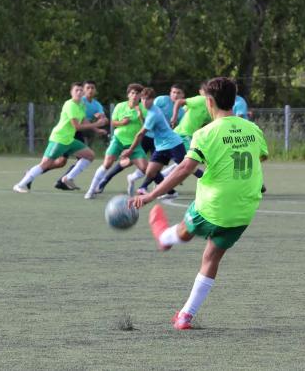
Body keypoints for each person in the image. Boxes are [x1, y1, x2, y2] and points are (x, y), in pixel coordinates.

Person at [130, 77, 268, 330]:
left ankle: (164, 238)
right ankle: (185, 316)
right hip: (244, 211)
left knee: (185, 230)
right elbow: (260, 157)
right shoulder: (253, 129)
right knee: (212, 257)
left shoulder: (205, 133)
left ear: (209, 101)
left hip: (213, 207)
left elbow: (184, 168)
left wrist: (151, 194)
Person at [13, 82, 105, 193]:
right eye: (77, 90)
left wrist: (97, 129)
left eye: (81, 90)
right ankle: (19, 185)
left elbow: (83, 120)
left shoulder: (81, 104)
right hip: (59, 139)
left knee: (90, 155)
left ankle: (67, 178)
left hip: (70, 140)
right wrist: (97, 124)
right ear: (71, 92)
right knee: (45, 164)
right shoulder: (70, 104)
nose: (79, 92)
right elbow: (77, 126)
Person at [97, 84, 185, 193]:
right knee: (128, 161)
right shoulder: (161, 100)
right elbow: (146, 120)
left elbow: (173, 126)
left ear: (183, 95)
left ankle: (154, 187)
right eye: (174, 92)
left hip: (158, 140)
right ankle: (105, 179)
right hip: (145, 137)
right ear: (170, 93)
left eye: (178, 93)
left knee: (154, 166)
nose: (175, 95)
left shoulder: (181, 111)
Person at [120, 87, 202, 198]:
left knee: (188, 168)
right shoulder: (151, 111)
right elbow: (148, 127)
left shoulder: (154, 113)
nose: (144, 102)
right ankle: (169, 192)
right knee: (150, 172)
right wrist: (141, 117)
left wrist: (130, 150)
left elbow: (140, 134)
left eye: (147, 99)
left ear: (153, 100)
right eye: (143, 99)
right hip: (161, 147)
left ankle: (209, 180)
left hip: (174, 144)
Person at [84, 83, 148, 199]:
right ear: (128, 95)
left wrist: (140, 115)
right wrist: (122, 123)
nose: (134, 95)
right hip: (118, 139)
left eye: (137, 93)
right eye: (132, 93)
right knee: (107, 163)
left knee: (145, 168)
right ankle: (91, 190)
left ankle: (131, 176)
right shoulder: (120, 106)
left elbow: (147, 125)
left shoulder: (143, 108)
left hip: (134, 143)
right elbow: (113, 122)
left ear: (140, 96)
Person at [54, 80, 108, 190]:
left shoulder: (96, 104)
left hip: (79, 132)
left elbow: (103, 119)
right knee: (62, 161)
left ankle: (63, 180)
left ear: (95, 90)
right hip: (69, 132)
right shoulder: (79, 101)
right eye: (87, 88)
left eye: (92, 88)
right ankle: (62, 180)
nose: (90, 90)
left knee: (70, 160)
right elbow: (80, 122)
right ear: (83, 90)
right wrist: (96, 126)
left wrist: (102, 119)